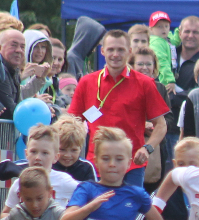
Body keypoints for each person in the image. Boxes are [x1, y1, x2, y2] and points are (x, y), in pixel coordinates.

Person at [67, 30, 169, 187]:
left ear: (129, 52)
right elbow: (71, 123)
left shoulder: (145, 83)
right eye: (111, 49)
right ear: (102, 51)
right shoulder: (87, 82)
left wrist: (147, 148)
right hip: (97, 163)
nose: (115, 54)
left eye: (121, 50)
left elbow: (161, 125)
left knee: (129, 210)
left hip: (131, 164)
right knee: (98, 210)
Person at [148, 11, 179, 88]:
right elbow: (162, 62)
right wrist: (170, 80)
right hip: (162, 80)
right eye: (160, 26)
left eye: (166, 26)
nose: (164, 29)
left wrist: (179, 31)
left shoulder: (166, 39)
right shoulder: (156, 42)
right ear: (151, 29)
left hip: (167, 78)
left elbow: (175, 42)